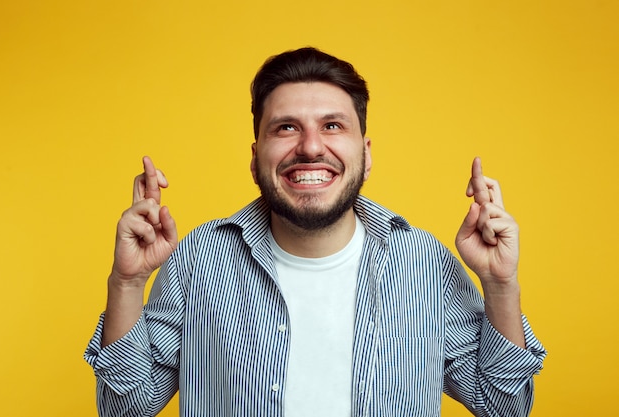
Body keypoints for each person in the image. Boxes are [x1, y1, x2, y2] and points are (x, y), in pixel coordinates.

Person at [85, 47, 546, 417]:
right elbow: (127, 409)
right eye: (286, 128)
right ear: (255, 156)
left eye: (332, 125)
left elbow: (504, 407)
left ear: (365, 153)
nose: (309, 147)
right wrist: (126, 283)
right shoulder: (197, 260)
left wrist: (500, 286)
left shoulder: (426, 263)